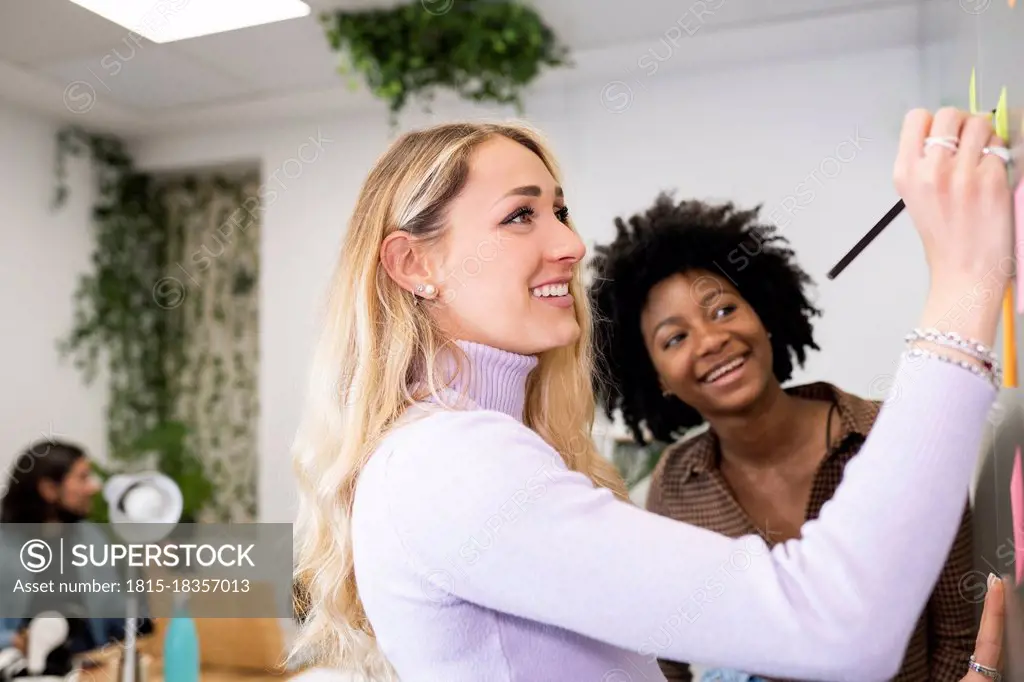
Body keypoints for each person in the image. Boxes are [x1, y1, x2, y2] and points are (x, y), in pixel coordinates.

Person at [289, 109, 1011, 681]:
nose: (570, 246)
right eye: (520, 215)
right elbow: (834, 622)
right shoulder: (449, 463)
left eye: (559, 210)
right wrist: (966, 280)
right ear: (414, 263)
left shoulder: (471, 449)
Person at [588, 193, 979, 681]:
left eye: (724, 309)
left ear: (765, 314)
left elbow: (960, 632)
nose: (711, 340)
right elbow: (667, 657)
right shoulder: (676, 486)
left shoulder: (893, 440)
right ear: (657, 378)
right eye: (675, 338)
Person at [0, 440, 151, 660]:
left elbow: (117, 613)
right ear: (49, 489)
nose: (93, 487)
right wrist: (12, 641)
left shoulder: (92, 537)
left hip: (90, 665)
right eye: (83, 478)